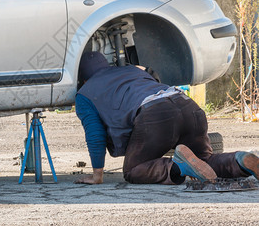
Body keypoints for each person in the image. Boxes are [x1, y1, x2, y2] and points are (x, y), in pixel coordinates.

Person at [74, 51, 258, 185]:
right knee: (205, 160)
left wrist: (97, 174)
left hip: (155, 115)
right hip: (187, 105)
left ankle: (178, 166)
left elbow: (95, 134)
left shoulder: (85, 94)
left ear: (83, 79)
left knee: (134, 170)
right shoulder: (132, 71)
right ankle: (240, 160)